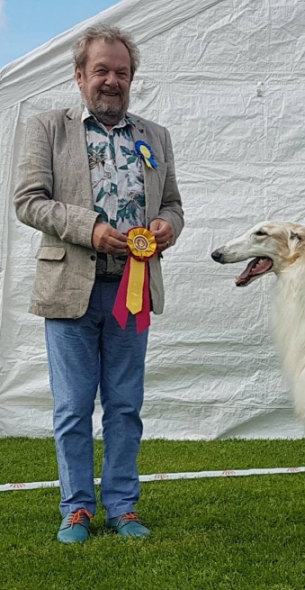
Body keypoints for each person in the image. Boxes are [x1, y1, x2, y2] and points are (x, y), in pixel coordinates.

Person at [13, 24, 184, 544]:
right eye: (102, 70)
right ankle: (77, 508)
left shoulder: (156, 136)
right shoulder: (48, 128)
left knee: (126, 406)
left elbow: (173, 204)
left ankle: (123, 507)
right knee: (72, 408)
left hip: (132, 292)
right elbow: (28, 201)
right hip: (71, 289)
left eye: (122, 73)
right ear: (80, 75)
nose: (113, 81)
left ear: (133, 79)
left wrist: (167, 228)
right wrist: (90, 228)